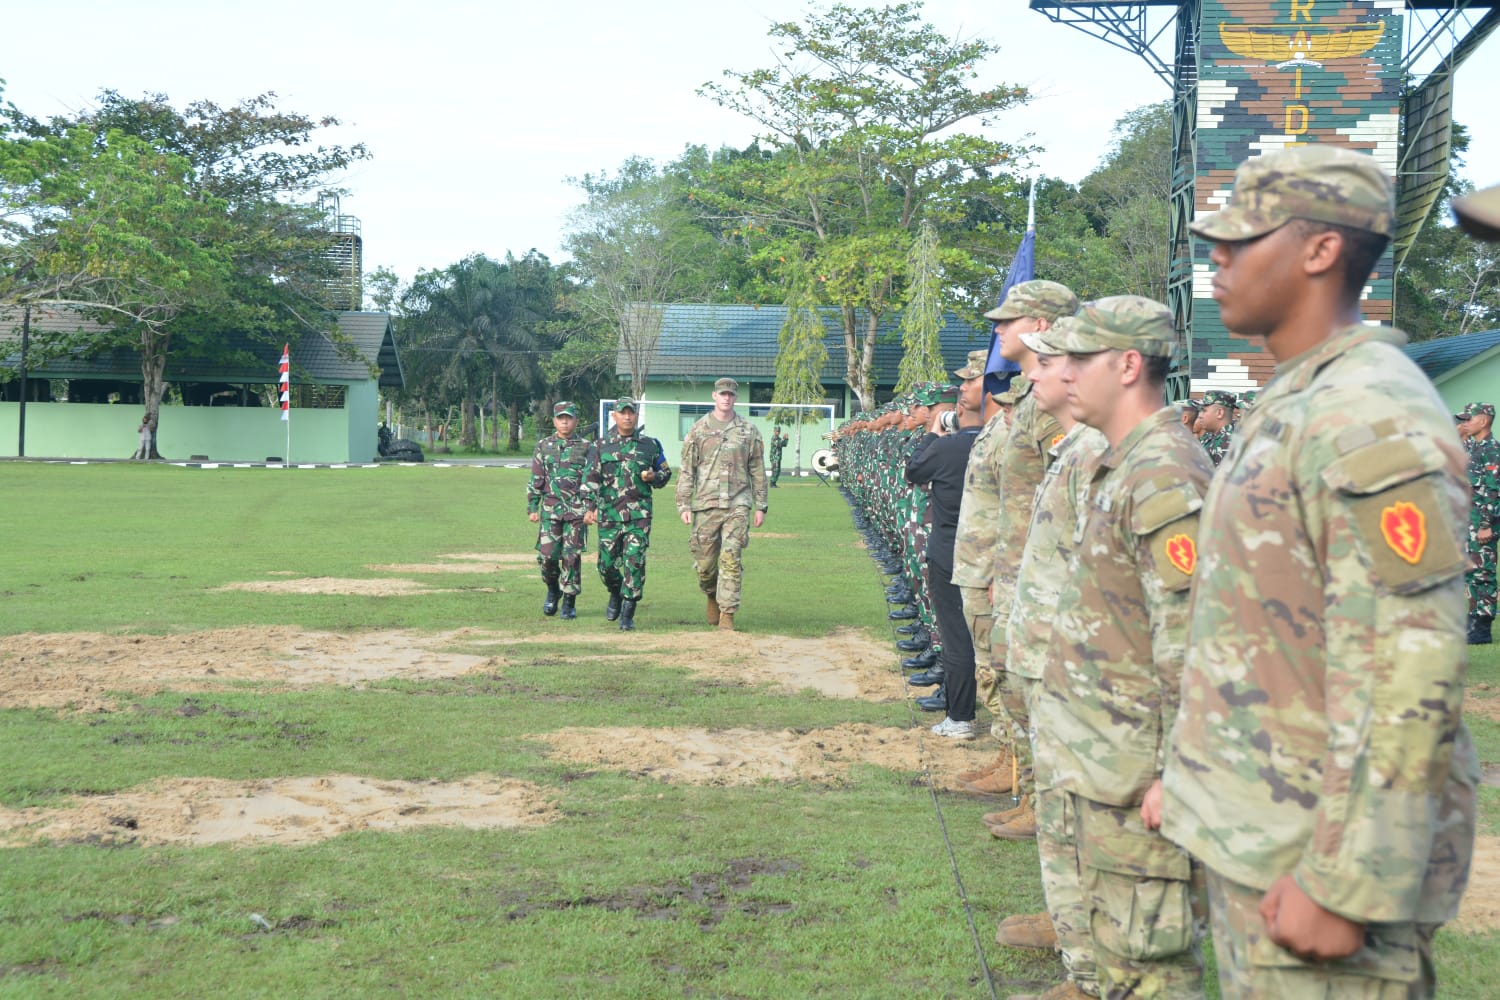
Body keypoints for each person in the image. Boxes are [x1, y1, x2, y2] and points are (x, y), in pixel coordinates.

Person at [1161, 144, 1477, 1000]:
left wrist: (1348, 881)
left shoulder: (1366, 410)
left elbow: (1408, 665)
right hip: (1263, 829)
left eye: (1240, 241)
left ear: (1320, 250)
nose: (1216, 260)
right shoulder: (1301, 395)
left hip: (1313, 854)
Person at [1030, 295, 1213, 999]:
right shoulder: (1124, 464)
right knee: (1120, 958)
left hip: (1141, 777)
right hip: (1109, 764)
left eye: (1080, 358)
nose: (1064, 373)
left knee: (1150, 971)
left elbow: (1192, 640)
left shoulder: (1162, 474)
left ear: (1129, 364)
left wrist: (1180, 772)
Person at [994, 327, 1109, 994]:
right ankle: (1074, 940)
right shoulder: (1076, 452)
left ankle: (1092, 966)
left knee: (1088, 828)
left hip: (1087, 682)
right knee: (1063, 821)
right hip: (1052, 669)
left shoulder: (1106, 457)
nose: (1037, 375)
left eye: (1053, 361)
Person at [975, 279, 1078, 842]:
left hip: (1040, 582)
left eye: (1007, 320)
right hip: (1015, 570)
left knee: (1035, 698)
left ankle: (1042, 803)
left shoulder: (1054, 406)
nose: (998, 331)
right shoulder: (1033, 397)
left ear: (1041, 325)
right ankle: (1029, 791)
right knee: (1014, 691)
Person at [905, 356, 986, 739]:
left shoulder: (949, 447)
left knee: (957, 639)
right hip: (994, 554)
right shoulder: (998, 444)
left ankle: (961, 716)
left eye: (969, 383)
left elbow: (914, 470)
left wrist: (933, 434)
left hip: (951, 550)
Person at [675, 377, 768, 632]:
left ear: (735, 398)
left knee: (730, 557)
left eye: (730, 394)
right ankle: (710, 593)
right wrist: (683, 504)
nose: (726, 398)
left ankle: (727, 614)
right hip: (705, 504)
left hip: (738, 504)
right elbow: (686, 471)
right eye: (722, 394)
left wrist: (761, 505)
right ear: (714, 396)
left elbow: (757, 470)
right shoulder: (698, 430)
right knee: (705, 565)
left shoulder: (748, 431)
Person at [584, 398, 671, 631]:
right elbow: (590, 480)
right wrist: (589, 507)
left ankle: (627, 614)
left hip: (638, 517)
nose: (627, 417)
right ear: (614, 415)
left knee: (635, 561)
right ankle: (615, 592)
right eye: (622, 413)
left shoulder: (650, 445)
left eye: (631, 413)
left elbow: (666, 473)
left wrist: (655, 477)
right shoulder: (600, 446)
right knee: (606, 566)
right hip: (609, 516)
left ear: (636, 415)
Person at [527, 400, 591, 620]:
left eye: (569, 417)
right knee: (548, 558)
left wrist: (591, 508)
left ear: (576, 420)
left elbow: (592, 480)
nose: (565, 422)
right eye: (560, 418)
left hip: (576, 512)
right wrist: (532, 506)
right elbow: (537, 478)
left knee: (571, 557)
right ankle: (553, 590)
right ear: (554, 420)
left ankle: (569, 601)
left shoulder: (586, 447)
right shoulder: (543, 446)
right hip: (550, 510)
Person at [1455, 402, 1500, 644]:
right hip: (1469, 523)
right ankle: (1472, 623)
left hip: (1483, 524)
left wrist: (1486, 525)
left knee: (1484, 575)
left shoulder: (1492, 450)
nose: (1464, 423)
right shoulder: (1472, 446)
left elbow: (1495, 491)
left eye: (1468, 419)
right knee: (1472, 573)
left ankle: (1482, 629)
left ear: (1483, 421)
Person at [1193, 389, 1238, 466]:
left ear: (1219, 413)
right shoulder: (1210, 435)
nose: (1200, 415)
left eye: (1204, 411)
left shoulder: (1228, 442)